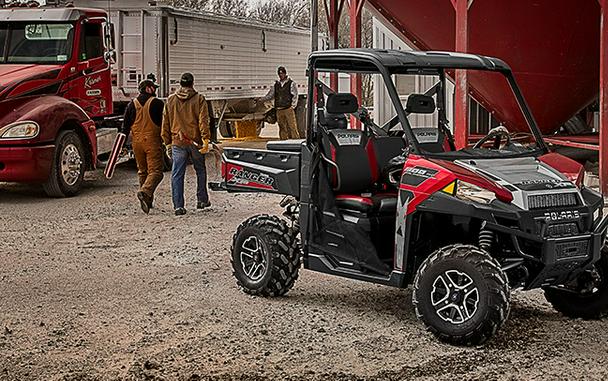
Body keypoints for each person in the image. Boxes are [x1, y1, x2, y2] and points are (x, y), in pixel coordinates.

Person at [161, 72, 211, 216]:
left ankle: (178, 206)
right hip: (195, 142)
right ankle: (202, 200)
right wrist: (205, 139)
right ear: (192, 83)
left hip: (178, 142)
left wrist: (167, 143)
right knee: (200, 170)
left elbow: (165, 123)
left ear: (180, 83)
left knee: (177, 174)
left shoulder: (170, 100)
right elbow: (203, 121)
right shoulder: (199, 99)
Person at [121, 78, 164, 214]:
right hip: (152, 141)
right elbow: (165, 124)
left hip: (136, 142)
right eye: (154, 88)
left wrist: (121, 145)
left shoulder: (131, 105)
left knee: (142, 171)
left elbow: (125, 127)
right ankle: (145, 192)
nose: (156, 90)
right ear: (149, 89)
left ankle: (147, 202)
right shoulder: (157, 103)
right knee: (156, 172)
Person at [258, 66, 300, 139]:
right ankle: (283, 141)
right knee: (282, 127)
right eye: (279, 73)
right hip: (279, 109)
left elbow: (295, 95)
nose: (281, 75)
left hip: (288, 109)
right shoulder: (276, 84)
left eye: (282, 73)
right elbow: (270, 95)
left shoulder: (291, 83)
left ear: (285, 73)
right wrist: (261, 99)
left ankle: (296, 141)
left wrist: (293, 106)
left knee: (292, 126)